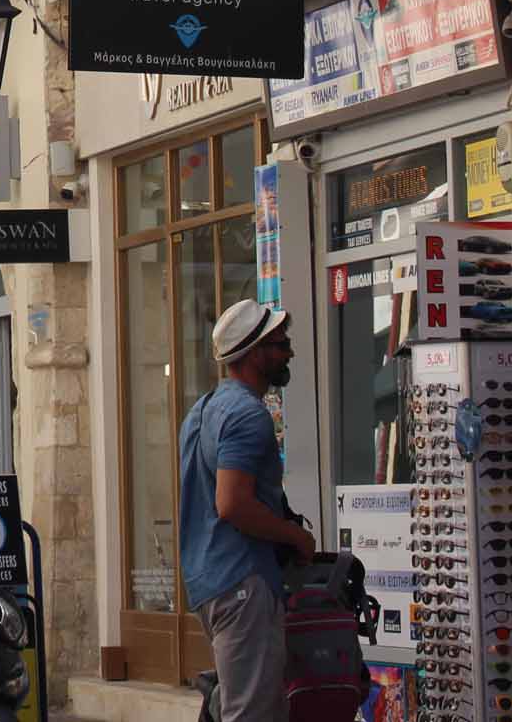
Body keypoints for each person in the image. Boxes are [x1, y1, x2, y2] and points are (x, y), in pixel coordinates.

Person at [179, 300, 314, 722]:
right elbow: (232, 503)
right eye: (281, 343)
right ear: (255, 353)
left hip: (211, 579)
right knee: (252, 713)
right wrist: (296, 537)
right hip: (242, 581)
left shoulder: (203, 410)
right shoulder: (246, 416)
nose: (289, 352)